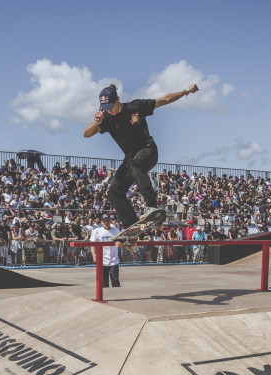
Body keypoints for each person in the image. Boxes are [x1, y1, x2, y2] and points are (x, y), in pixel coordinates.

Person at [84, 82, 199, 231]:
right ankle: (132, 226)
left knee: (135, 165)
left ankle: (152, 207)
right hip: (130, 158)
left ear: (117, 100)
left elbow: (163, 100)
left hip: (148, 150)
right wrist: (96, 122)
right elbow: (86, 134)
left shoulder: (135, 107)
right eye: (105, 108)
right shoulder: (106, 119)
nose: (109, 111)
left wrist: (186, 91)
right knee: (114, 190)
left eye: (111, 107)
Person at [90, 215, 121, 287]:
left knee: (115, 281)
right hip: (102, 261)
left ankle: (117, 296)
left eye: (107, 221)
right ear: (101, 222)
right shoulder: (97, 231)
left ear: (110, 221)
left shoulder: (116, 230)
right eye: (104, 221)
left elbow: (122, 243)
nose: (106, 222)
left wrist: (132, 251)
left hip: (113, 260)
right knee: (103, 284)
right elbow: (92, 245)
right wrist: (94, 255)